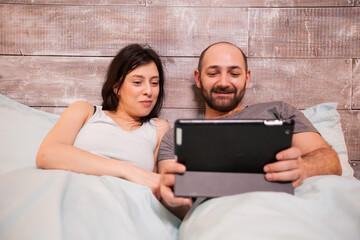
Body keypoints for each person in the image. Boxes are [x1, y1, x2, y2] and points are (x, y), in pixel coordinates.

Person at [157, 42, 342, 219]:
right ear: (198, 79)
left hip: (285, 211)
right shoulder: (175, 137)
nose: (223, 82)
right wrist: (174, 200)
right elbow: (177, 203)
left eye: (234, 74)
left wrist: (303, 168)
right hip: (218, 218)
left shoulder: (279, 112)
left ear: (247, 78)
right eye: (213, 73)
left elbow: (331, 161)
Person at [36, 43, 170, 199]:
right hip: (75, 197)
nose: (149, 91)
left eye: (154, 83)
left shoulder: (159, 129)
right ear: (117, 87)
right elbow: (47, 155)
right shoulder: (84, 111)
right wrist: (128, 170)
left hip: (125, 206)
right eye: (137, 82)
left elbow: (159, 187)